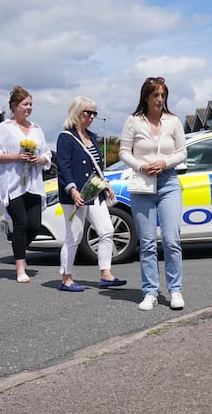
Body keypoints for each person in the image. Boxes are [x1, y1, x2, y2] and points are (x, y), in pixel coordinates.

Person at [119, 77, 187, 311]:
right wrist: (141, 166)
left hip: (168, 183)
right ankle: (150, 292)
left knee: (171, 239)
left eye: (163, 95)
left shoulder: (173, 121)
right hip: (142, 185)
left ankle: (175, 290)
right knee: (147, 243)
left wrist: (165, 162)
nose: (159, 99)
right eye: (155, 95)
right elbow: (124, 152)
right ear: (146, 97)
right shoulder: (133, 121)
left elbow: (182, 153)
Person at [56, 96, 126, 292]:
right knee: (74, 236)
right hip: (76, 195)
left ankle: (106, 274)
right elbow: (64, 166)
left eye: (95, 113)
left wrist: (105, 184)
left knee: (107, 230)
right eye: (88, 112)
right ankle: (66, 278)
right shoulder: (66, 137)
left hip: (95, 193)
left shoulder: (92, 137)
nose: (92, 116)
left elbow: (97, 166)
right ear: (77, 113)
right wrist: (72, 189)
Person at [0, 86, 52, 283]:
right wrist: (15, 157)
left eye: (31, 104)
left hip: (33, 183)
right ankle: (20, 267)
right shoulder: (4, 128)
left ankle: (18, 247)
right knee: (21, 224)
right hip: (13, 184)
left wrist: (39, 160)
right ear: (14, 106)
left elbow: (47, 153)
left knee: (35, 225)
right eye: (25, 104)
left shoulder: (37, 129)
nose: (29, 107)